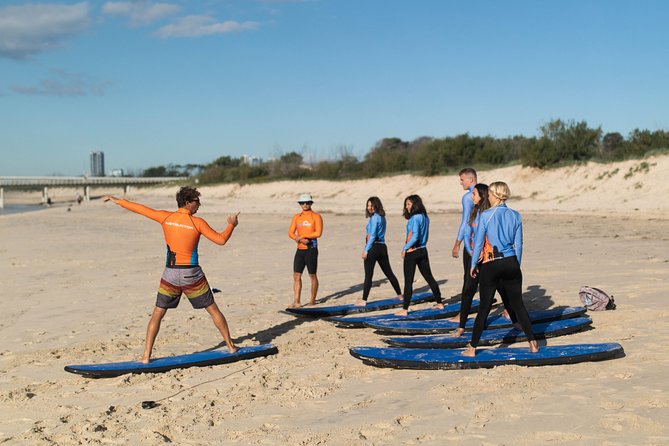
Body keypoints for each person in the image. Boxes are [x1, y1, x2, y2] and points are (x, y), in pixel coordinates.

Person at [104, 187, 238, 363]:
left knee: (158, 314)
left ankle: (146, 357)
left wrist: (116, 200)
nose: (199, 204)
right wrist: (231, 225)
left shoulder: (165, 217)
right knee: (212, 309)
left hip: (170, 275)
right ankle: (231, 347)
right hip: (192, 275)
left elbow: (140, 209)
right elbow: (221, 240)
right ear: (189, 202)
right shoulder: (198, 222)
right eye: (197, 201)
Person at [463, 182, 538, 356]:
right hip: (511, 261)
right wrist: (515, 266)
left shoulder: (486, 215)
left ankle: (472, 348)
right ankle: (533, 343)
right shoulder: (516, 215)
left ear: (496, 195)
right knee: (518, 306)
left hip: (492, 264)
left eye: (489, 193)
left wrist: (473, 264)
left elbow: (479, 243)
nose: (487, 196)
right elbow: (518, 245)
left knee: (484, 307)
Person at [395, 195, 443, 316]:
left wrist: (405, 248)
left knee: (408, 281)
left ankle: (405, 309)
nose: (406, 207)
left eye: (409, 204)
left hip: (412, 252)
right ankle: (440, 303)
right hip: (423, 250)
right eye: (406, 204)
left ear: (415, 204)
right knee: (429, 277)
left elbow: (415, 236)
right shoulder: (425, 217)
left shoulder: (414, 218)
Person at [356, 197, 402, 306]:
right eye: (368, 205)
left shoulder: (374, 218)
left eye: (372, 205)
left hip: (373, 247)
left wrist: (366, 250)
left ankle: (364, 300)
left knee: (368, 275)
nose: (369, 208)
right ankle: (400, 295)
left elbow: (372, 236)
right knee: (389, 272)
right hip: (382, 247)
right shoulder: (382, 217)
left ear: (377, 205)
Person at [288, 193, 323, 307]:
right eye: (303, 203)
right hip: (300, 250)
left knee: (312, 275)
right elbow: (290, 233)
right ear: (300, 204)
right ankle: (296, 301)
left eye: (307, 202)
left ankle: (312, 300)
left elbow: (318, 233)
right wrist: (298, 239)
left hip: (311, 249)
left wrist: (302, 236)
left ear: (311, 203)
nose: (305, 205)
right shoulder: (297, 217)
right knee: (296, 275)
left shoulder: (316, 216)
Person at [451, 168, 478, 300]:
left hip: (472, 243)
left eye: (462, 179)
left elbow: (465, 222)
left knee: (468, 278)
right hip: (487, 243)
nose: (460, 182)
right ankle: (508, 309)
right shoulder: (487, 192)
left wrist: (457, 244)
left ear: (471, 179)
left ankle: (462, 313)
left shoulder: (469, 197)